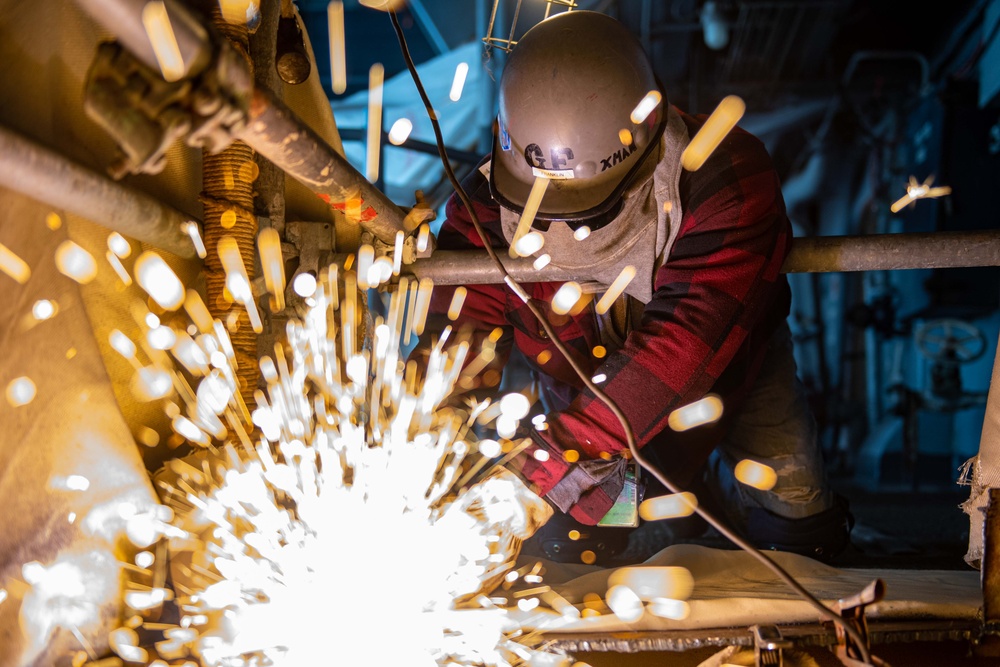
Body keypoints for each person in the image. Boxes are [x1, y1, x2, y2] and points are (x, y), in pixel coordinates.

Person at [425, 10, 852, 564]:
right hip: (581, 380)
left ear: (645, 145)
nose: (558, 230)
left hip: (735, 371)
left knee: (801, 527)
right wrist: (434, 430)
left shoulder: (726, 176)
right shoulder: (483, 203)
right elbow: (463, 330)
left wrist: (546, 467)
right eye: (538, 209)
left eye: (583, 211)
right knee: (578, 551)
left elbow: (684, 346)